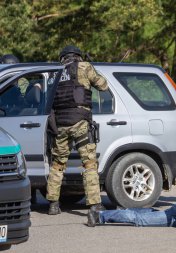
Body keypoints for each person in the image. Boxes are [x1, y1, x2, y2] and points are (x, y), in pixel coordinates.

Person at [46, 45, 108, 215]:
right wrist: (94, 68)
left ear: (63, 58)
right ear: (78, 56)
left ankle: (53, 204)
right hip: (80, 122)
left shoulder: (55, 72)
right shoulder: (84, 67)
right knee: (89, 164)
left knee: (57, 165)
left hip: (60, 124)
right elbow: (103, 86)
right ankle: (94, 205)